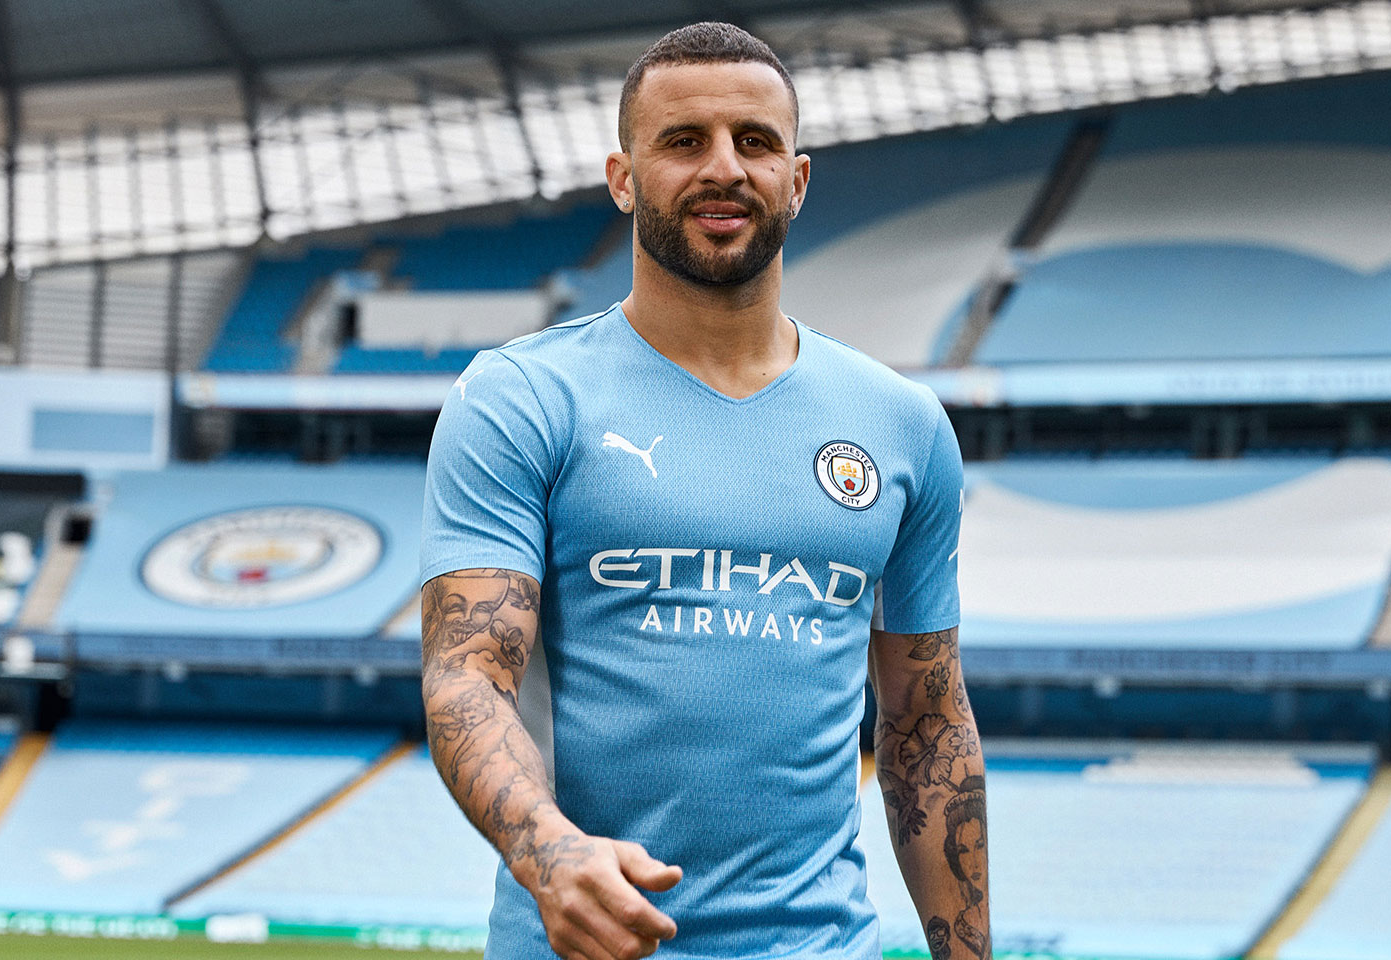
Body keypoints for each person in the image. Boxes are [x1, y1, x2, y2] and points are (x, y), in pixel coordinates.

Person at [419, 21, 987, 960]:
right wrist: (548, 853)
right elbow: (467, 675)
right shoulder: (520, 398)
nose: (724, 168)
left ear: (796, 181)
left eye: (754, 141)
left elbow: (927, 726)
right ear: (623, 178)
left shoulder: (902, 425)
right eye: (684, 141)